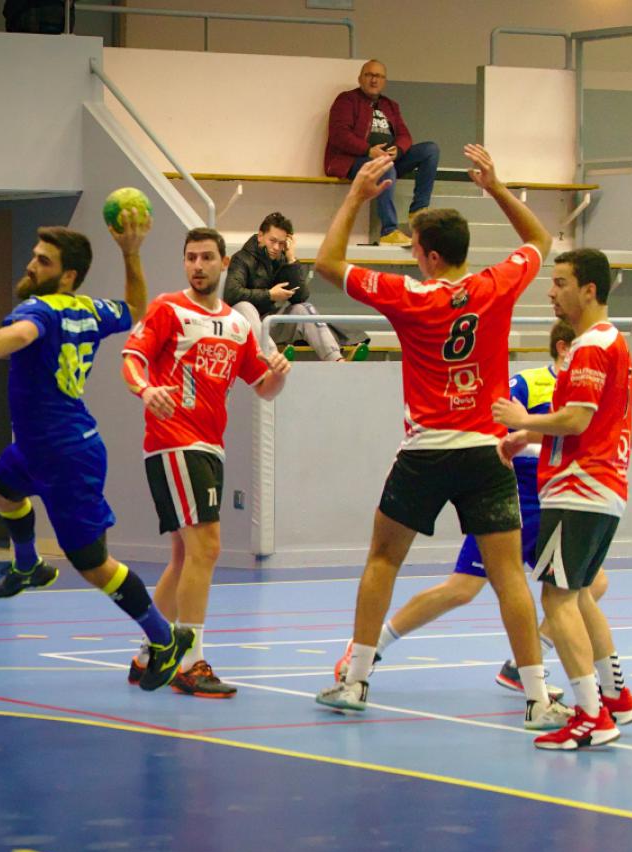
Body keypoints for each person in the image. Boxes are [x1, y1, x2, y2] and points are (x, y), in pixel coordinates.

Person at [311, 145, 569, 732]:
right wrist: (498, 187)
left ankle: (355, 682)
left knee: (383, 560)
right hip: (483, 451)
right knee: (508, 578)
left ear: (427, 257)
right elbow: (542, 242)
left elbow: (327, 265)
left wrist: (356, 196)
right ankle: (535, 698)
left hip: (425, 451)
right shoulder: (495, 286)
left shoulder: (409, 297)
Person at [0, 216, 197, 692]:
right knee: (1, 490)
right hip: (36, 446)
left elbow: (21, 335)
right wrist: (131, 254)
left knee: (92, 564)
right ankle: (27, 563)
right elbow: (134, 307)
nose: (31, 264)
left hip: (69, 455)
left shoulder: (41, 311)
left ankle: (164, 637)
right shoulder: (89, 309)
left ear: (66, 275)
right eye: (34, 255)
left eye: (42, 260)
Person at [334, 321, 601, 703]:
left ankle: (524, 664)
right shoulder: (528, 384)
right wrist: (543, 444)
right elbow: (501, 433)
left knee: (589, 584)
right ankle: (373, 645)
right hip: (516, 498)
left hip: (551, 501)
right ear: (563, 348)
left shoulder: (580, 392)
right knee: (462, 589)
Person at [120, 227, 291, 697]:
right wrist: (146, 389)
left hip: (210, 445)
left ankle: (149, 653)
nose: (198, 266)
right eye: (190, 258)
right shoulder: (168, 309)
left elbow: (263, 387)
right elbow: (131, 357)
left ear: (223, 262)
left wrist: (277, 375)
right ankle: (189, 662)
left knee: (185, 555)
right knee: (208, 548)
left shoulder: (238, 325)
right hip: (174, 441)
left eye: (207, 257)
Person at [493, 249, 632, 751]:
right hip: (601, 485)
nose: (550, 292)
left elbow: (577, 421)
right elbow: (588, 425)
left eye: (560, 283)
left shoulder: (589, 347)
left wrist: (522, 420)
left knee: (557, 597)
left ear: (589, 291)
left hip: (578, 488)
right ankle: (616, 695)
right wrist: (530, 441)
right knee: (576, 593)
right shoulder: (609, 342)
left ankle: (590, 715)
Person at [223, 212, 367, 362]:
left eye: (281, 243)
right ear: (260, 236)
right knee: (245, 306)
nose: (276, 247)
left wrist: (291, 258)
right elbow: (231, 294)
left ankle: (336, 360)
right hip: (241, 328)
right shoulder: (241, 258)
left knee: (303, 308)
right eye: (272, 241)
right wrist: (269, 295)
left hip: (267, 325)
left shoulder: (281, 259)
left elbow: (301, 297)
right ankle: (273, 359)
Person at [325, 60, 439, 248]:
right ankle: (388, 231)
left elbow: (404, 135)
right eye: (369, 75)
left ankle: (418, 211)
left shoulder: (390, 105)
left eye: (379, 76)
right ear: (360, 78)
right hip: (355, 161)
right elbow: (339, 134)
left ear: (384, 81)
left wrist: (399, 149)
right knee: (385, 167)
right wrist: (368, 150)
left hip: (385, 159)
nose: (374, 80)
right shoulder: (346, 100)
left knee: (430, 150)